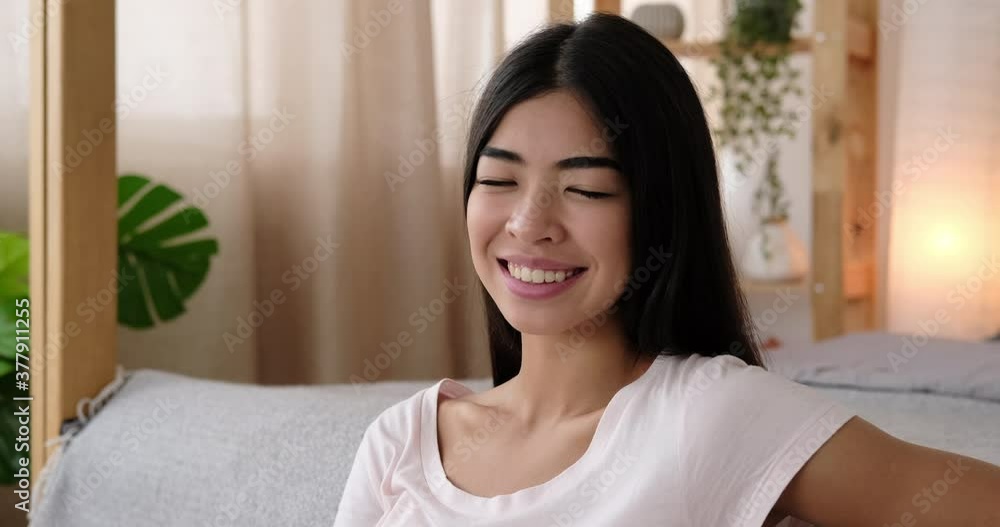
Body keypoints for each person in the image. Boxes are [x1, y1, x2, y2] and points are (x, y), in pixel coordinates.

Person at [334, 13, 1000, 526]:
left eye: (586, 188)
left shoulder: (708, 414)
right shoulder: (401, 440)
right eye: (499, 180)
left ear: (660, 212)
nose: (530, 223)